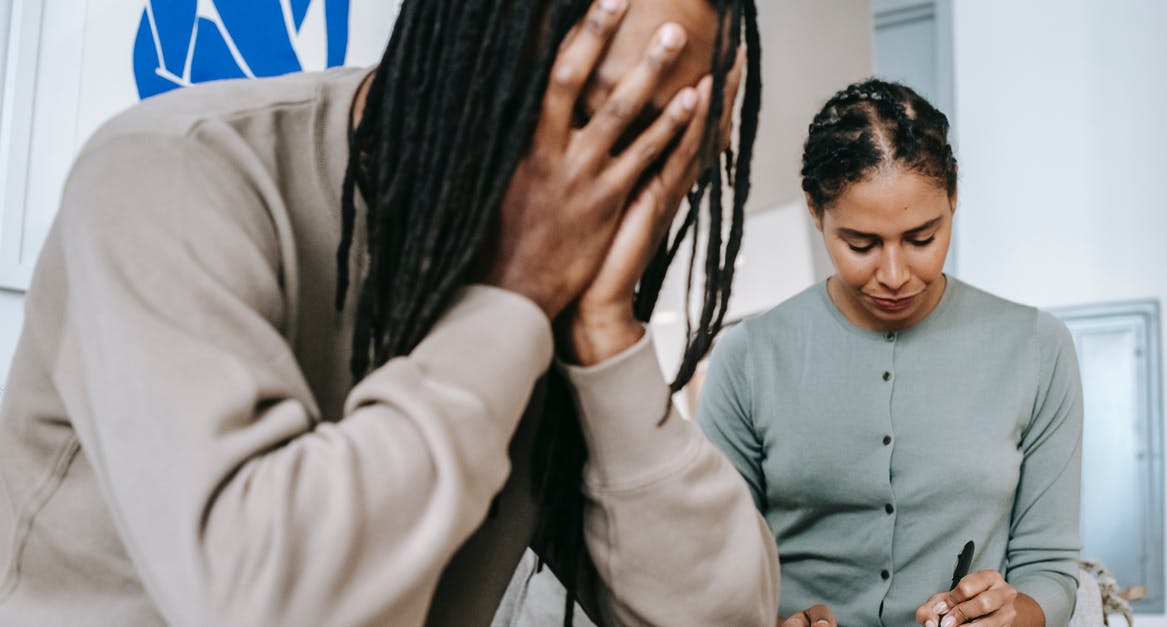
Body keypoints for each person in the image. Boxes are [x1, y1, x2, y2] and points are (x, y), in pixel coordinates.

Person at [0, 1, 779, 625]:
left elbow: (722, 618)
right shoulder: (168, 174)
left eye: (665, 136)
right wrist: (511, 298)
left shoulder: (566, 303)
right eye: (595, 108)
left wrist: (606, 341)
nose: (618, 175)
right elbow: (272, 602)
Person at [698, 79, 1083, 627]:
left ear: (953, 199)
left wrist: (1010, 616)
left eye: (923, 238)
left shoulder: (1038, 348)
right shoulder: (747, 359)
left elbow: (1050, 569)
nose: (896, 275)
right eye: (861, 245)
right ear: (815, 211)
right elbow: (711, 571)